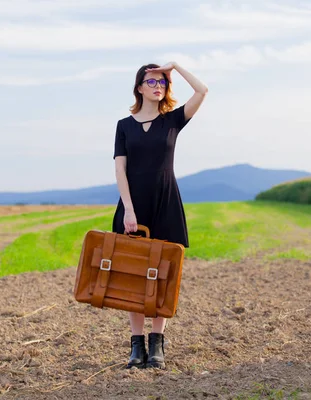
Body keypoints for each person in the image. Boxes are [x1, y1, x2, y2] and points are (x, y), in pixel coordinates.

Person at [111, 61, 208, 369]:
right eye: (151, 82)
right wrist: (128, 208)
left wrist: (175, 67)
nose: (157, 86)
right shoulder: (123, 126)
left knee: (166, 275)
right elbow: (120, 168)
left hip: (166, 201)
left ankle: (157, 345)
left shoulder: (173, 121)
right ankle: (136, 346)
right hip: (133, 204)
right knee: (132, 275)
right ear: (139, 87)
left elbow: (203, 90)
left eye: (162, 82)